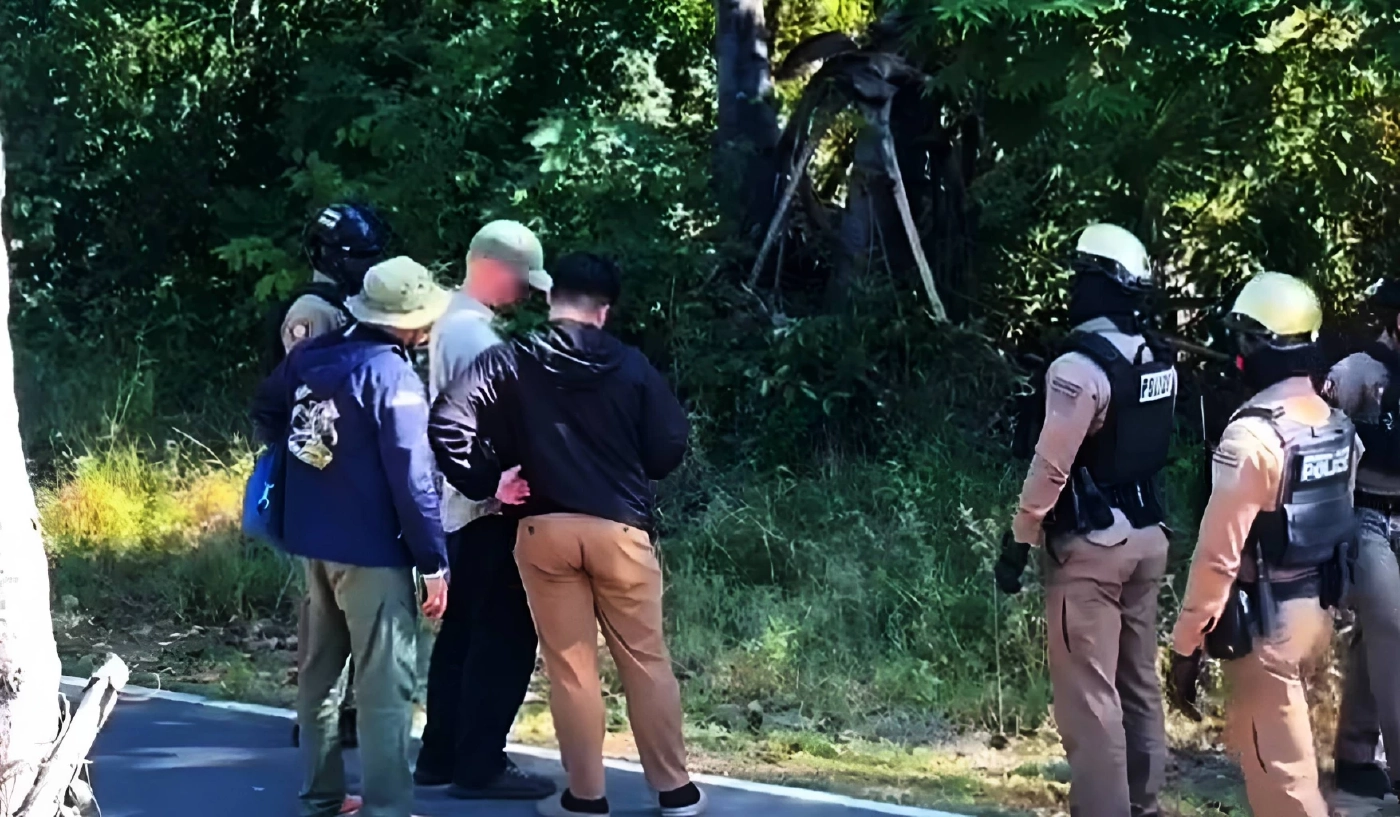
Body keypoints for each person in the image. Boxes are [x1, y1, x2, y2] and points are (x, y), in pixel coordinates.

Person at [428, 253, 705, 817]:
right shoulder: (631, 366)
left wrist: (488, 480)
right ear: (603, 311)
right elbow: (669, 443)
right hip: (621, 529)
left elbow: (448, 421)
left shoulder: (512, 358)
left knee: (571, 667)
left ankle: (585, 796)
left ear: (552, 300)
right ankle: (675, 791)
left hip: (543, 528)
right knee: (646, 660)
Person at [252, 256, 452, 817]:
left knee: (320, 677)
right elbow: (413, 478)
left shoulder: (313, 355)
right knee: (385, 685)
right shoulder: (391, 376)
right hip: (372, 551)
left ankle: (323, 795)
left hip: (312, 540)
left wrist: (303, 464)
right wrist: (433, 561)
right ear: (409, 322)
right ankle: (389, 807)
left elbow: (267, 406)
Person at [1167, 272, 1359, 817]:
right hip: (1316, 613)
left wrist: (1185, 646)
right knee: (1284, 764)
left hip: (1266, 627)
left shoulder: (1251, 437)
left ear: (1258, 346)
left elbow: (1216, 559)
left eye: (1244, 339)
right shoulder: (1335, 424)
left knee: (1285, 787)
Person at [999, 223, 1172, 817]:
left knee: (1090, 698)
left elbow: (1051, 467)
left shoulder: (1078, 368)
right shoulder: (1157, 358)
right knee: (1138, 683)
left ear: (1096, 283)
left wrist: (1019, 540)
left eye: (1081, 275)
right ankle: (1144, 805)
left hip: (1094, 547)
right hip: (1149, 536)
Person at [414, 220, 556, 800]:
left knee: (462, 635)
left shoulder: (445, 321)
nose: (524, 293)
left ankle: (440, 755)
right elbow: (498, 425)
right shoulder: (476, 338)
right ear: (493, 268)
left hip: (456, 505)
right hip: (487, 507)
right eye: (522, 280)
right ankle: (480, 763)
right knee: (505, 635)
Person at [277, 202, 391, 750]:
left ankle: (345, 709)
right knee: (323, 606)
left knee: (350, 603)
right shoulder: (313, 311)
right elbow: (309, 394)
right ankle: (317, 710)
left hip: (351, 474)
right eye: (357, 255)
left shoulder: (352, 306)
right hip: (322, 472)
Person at [1325, 277, 1400, 798]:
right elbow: (1317, 427)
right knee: (1392, 626)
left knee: (1376, 635)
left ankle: (1354, 753)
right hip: (1367, 515)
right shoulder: (1360, 371)